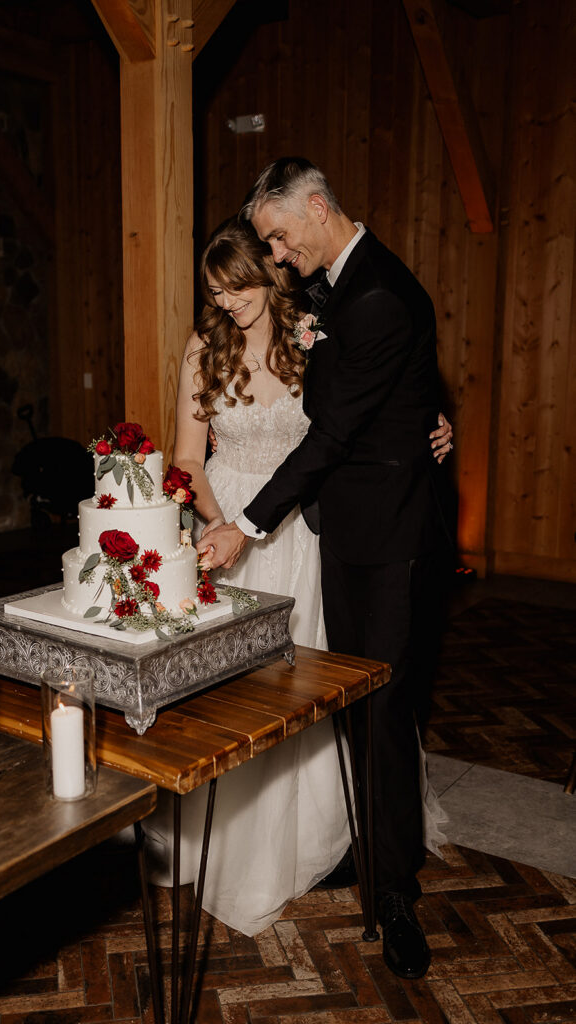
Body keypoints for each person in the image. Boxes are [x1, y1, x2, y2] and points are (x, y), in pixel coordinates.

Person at [142, 215, 450, 940]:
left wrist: (435, 422)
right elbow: (186, 458)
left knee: (314, 686)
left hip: (309, 532)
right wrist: (227, 525)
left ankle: (337, 838)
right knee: (234, 696)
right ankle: (234, 844)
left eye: (236, 287)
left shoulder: (315, 333)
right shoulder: (202, 347)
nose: (224, 303)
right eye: (213, 292)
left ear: (271, 271)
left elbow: (367, 410)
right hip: (229, 527)